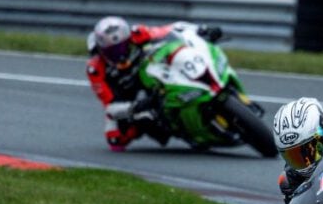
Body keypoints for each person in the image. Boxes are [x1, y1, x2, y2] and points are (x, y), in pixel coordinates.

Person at [85, 16, 223, 151]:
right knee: (116, 139)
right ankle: (176, 130)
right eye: (113, 51)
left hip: (151, 74)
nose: (120, 55)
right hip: (128, 98)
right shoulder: (95, 69)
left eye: (123, 47)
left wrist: (200, 30)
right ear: (102, 50)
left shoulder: (137, 33)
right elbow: (110, 107)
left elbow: (171, 29)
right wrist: (134, 107)